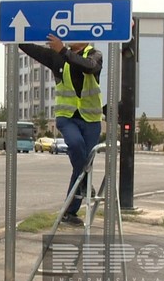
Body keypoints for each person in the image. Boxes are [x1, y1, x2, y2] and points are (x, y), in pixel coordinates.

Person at [17, 35, 103, 226]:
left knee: (81, 163)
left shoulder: (95, 54)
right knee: (76, 145)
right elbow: (33, 49)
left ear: (86, 39)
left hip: (91, 120)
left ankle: (69, 212)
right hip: (67, 117)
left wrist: (63, 50)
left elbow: (90, 67)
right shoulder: (56, 57)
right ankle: (86, 185)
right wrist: (15, 37)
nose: (71, 39)